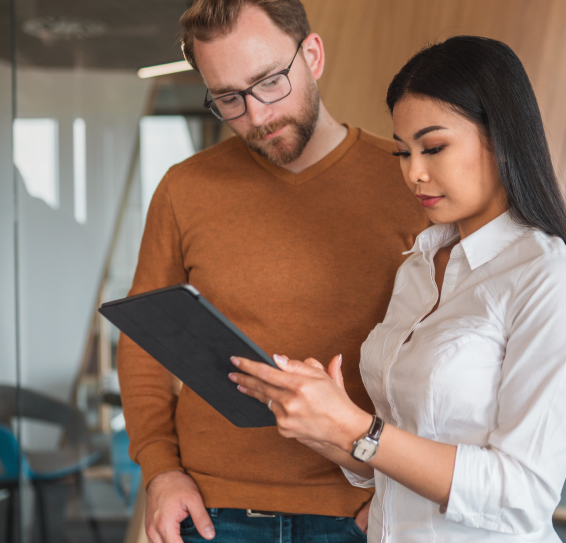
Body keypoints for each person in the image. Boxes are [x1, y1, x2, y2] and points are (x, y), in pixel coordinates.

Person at [230, 35, 566, 542]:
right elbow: (387, 459)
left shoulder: (545, 275)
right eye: (403, 152)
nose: (414, 172)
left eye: (433, 147)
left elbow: (522, 496)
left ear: (501, 136)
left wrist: (356, 430)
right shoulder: (420, 263)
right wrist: (322, 421)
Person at [116, 1, 428, 542]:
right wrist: (160, 470)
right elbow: (145, 340)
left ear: (312, 55)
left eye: (269, 82)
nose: (257, 116)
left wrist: (399, 489)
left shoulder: (412, 185)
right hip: (213, 511)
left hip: (362, 512)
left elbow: (448, 357)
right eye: (229, 98)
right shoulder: (184, 189)